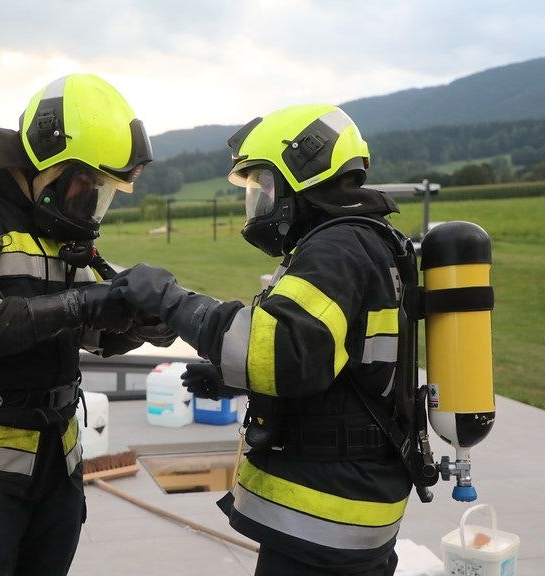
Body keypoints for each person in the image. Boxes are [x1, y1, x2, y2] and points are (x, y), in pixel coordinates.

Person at [111, 104, 413, 575]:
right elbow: (331, 361)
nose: (259, 200)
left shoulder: (337, 249)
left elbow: (279, 349)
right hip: (345, 514)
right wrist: (241, 380)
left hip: (322, 520)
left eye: (264, 185)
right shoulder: (366, 243)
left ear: (301, 175)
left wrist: (171, 300)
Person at [0, 73, 174, 576]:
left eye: (102, 191)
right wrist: (80, 304)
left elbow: (93, 330)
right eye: (86, 184)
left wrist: (145, 322)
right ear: (47, 160)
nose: (91, 203)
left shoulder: (57, 231)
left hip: (55, 469)